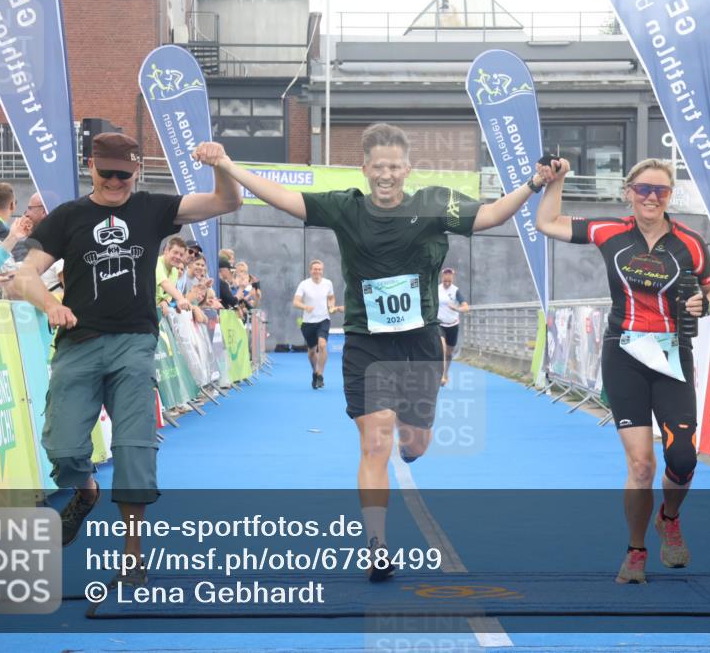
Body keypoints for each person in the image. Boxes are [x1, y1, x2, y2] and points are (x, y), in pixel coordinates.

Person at [213, 122, 562, 581]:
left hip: (419, 342)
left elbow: (494, 214)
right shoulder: (346, 207)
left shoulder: (434, 203)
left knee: (415, 443)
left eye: (394, 167)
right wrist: (228, 165)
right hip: (367, 341)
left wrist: (535, 183)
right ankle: (376, 545)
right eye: (378, 166)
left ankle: (409, 437)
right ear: (365, 168)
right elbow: (282, 197)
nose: (386, 175)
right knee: (374, 442)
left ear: (407, 169)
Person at [11, 132, 243, 587]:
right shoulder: (68, 217)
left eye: (125, 174)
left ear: (137, 171)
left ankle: (132, 557)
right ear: (90, 167)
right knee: (63, 449)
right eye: (107, 173)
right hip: (78, 343)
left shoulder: (153, 208)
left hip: (135, 343)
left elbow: (227, 201)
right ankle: (86, 492)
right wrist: (50, 304)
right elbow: (25, 274)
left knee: (134, 449)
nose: (116, 182)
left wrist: (221, 163)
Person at [535, 157, 710, 585]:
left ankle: (669, 518)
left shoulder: (691, 243)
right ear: (628, 192)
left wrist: (705, 304)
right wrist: (557, 181)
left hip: (672, 355)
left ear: (670, 196)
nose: (651, 197)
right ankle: (636, 551)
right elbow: (546, 222)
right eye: (643, 189)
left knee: (683, 457)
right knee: (641, 465)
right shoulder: (610, 231)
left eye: (661, 190)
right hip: (623, 354)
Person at [293, 259, 343, 389]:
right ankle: (315, 372)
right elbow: (296, 302)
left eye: (319, 269)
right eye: (315, 269)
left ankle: (320, 374)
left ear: (322, 270)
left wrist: (331, 306)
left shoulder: (328, 283)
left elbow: (331, 297)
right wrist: (305, 307)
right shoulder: (304, 284)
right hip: (308, 323)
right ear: (310, 271)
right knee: (311, 352)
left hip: (323, 320)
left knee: (322, 345)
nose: (317, 271)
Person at [436, 267, 468, 386]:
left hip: (453, 325)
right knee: (442, 349)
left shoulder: (455, 291)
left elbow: (466, 307)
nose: (447, 283)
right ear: (442, 277)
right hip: (440, 324)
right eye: (445, 280)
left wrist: (456, 308)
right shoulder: (436, 290)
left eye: (449, 281)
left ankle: (445, 374)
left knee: (449, 353)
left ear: (452, 278)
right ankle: (441, 376)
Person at [156, 236, 196, 319]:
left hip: (154, 312)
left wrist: (165, 302)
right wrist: (181, 299)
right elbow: (164, 283)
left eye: (181, 255)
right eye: (175, 252)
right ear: (166, 250)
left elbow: (169, 294)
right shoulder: (156, 263)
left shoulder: (175, 271)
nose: (178, 257)